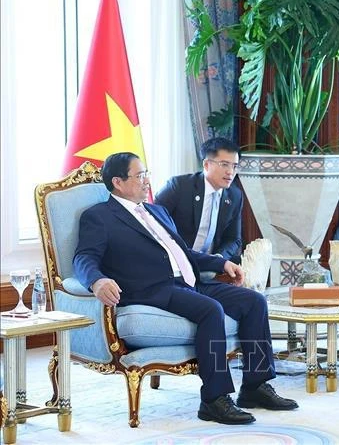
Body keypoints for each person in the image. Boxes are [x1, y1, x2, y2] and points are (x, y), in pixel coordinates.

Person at [73, 152, 298, 426]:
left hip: (191, 282)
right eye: (140, 175)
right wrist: (97, 280)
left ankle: (255, 386)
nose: (147, 181)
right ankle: (214, 399)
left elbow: (183, 254)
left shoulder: (157, 211)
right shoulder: (99, 217)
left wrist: (221, 263)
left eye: (146, 173)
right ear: (118, 182)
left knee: (253, 302)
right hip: (152, 289)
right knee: (210, 310)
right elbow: (83, 257)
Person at [155, 137, 243, 265]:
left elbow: (234, 238)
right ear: (206, 164)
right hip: (176, 262)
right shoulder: (179, 187)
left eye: (234, 166)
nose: (230, 171)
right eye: (224, 164)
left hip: (212, 266)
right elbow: (154, 224)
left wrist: (219, 258)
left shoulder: (235, 195)